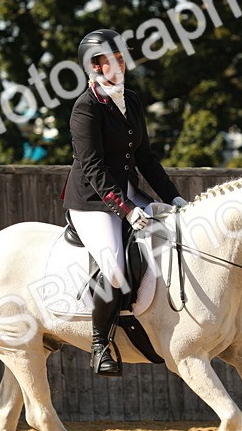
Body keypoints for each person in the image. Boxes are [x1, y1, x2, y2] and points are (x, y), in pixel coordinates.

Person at [62, 28, 187, 377]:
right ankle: (100, 343)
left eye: (121, 58)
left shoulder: (130, 100)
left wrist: (173, 198)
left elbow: (145, 157)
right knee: (115, 270)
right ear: (95, 66)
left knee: (177, 233)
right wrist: (128, 211)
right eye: (112, 59)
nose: (121, 64)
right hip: (92, 201)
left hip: (128, 191)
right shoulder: (85, 108)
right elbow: (94, 168)